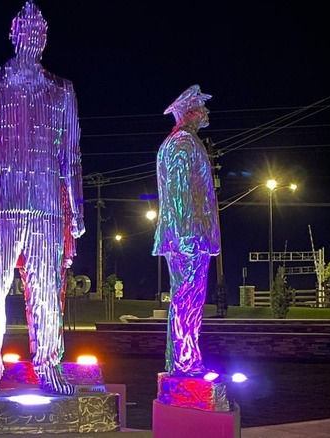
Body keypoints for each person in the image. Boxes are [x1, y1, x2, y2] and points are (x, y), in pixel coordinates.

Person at [0, 0, 84, 396]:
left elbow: (71, 156)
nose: (34, 37)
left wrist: (77, 209)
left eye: (40, 32)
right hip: (0, 201)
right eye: (27, 30)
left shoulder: (62, 91)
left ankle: (48, 363)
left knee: (46, 286)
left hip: (47, 205)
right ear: (13, 35)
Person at [152, 84, 220, 377]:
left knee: (188, 298)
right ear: (189, 112)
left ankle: (183, 359)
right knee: (187, 298)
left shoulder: (185, 142)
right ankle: (185, 361)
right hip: (188, 236)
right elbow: (179, 193)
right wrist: (188, 235)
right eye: (201, 107)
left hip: (190, 234)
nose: (206, 111)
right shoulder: (182, 143)